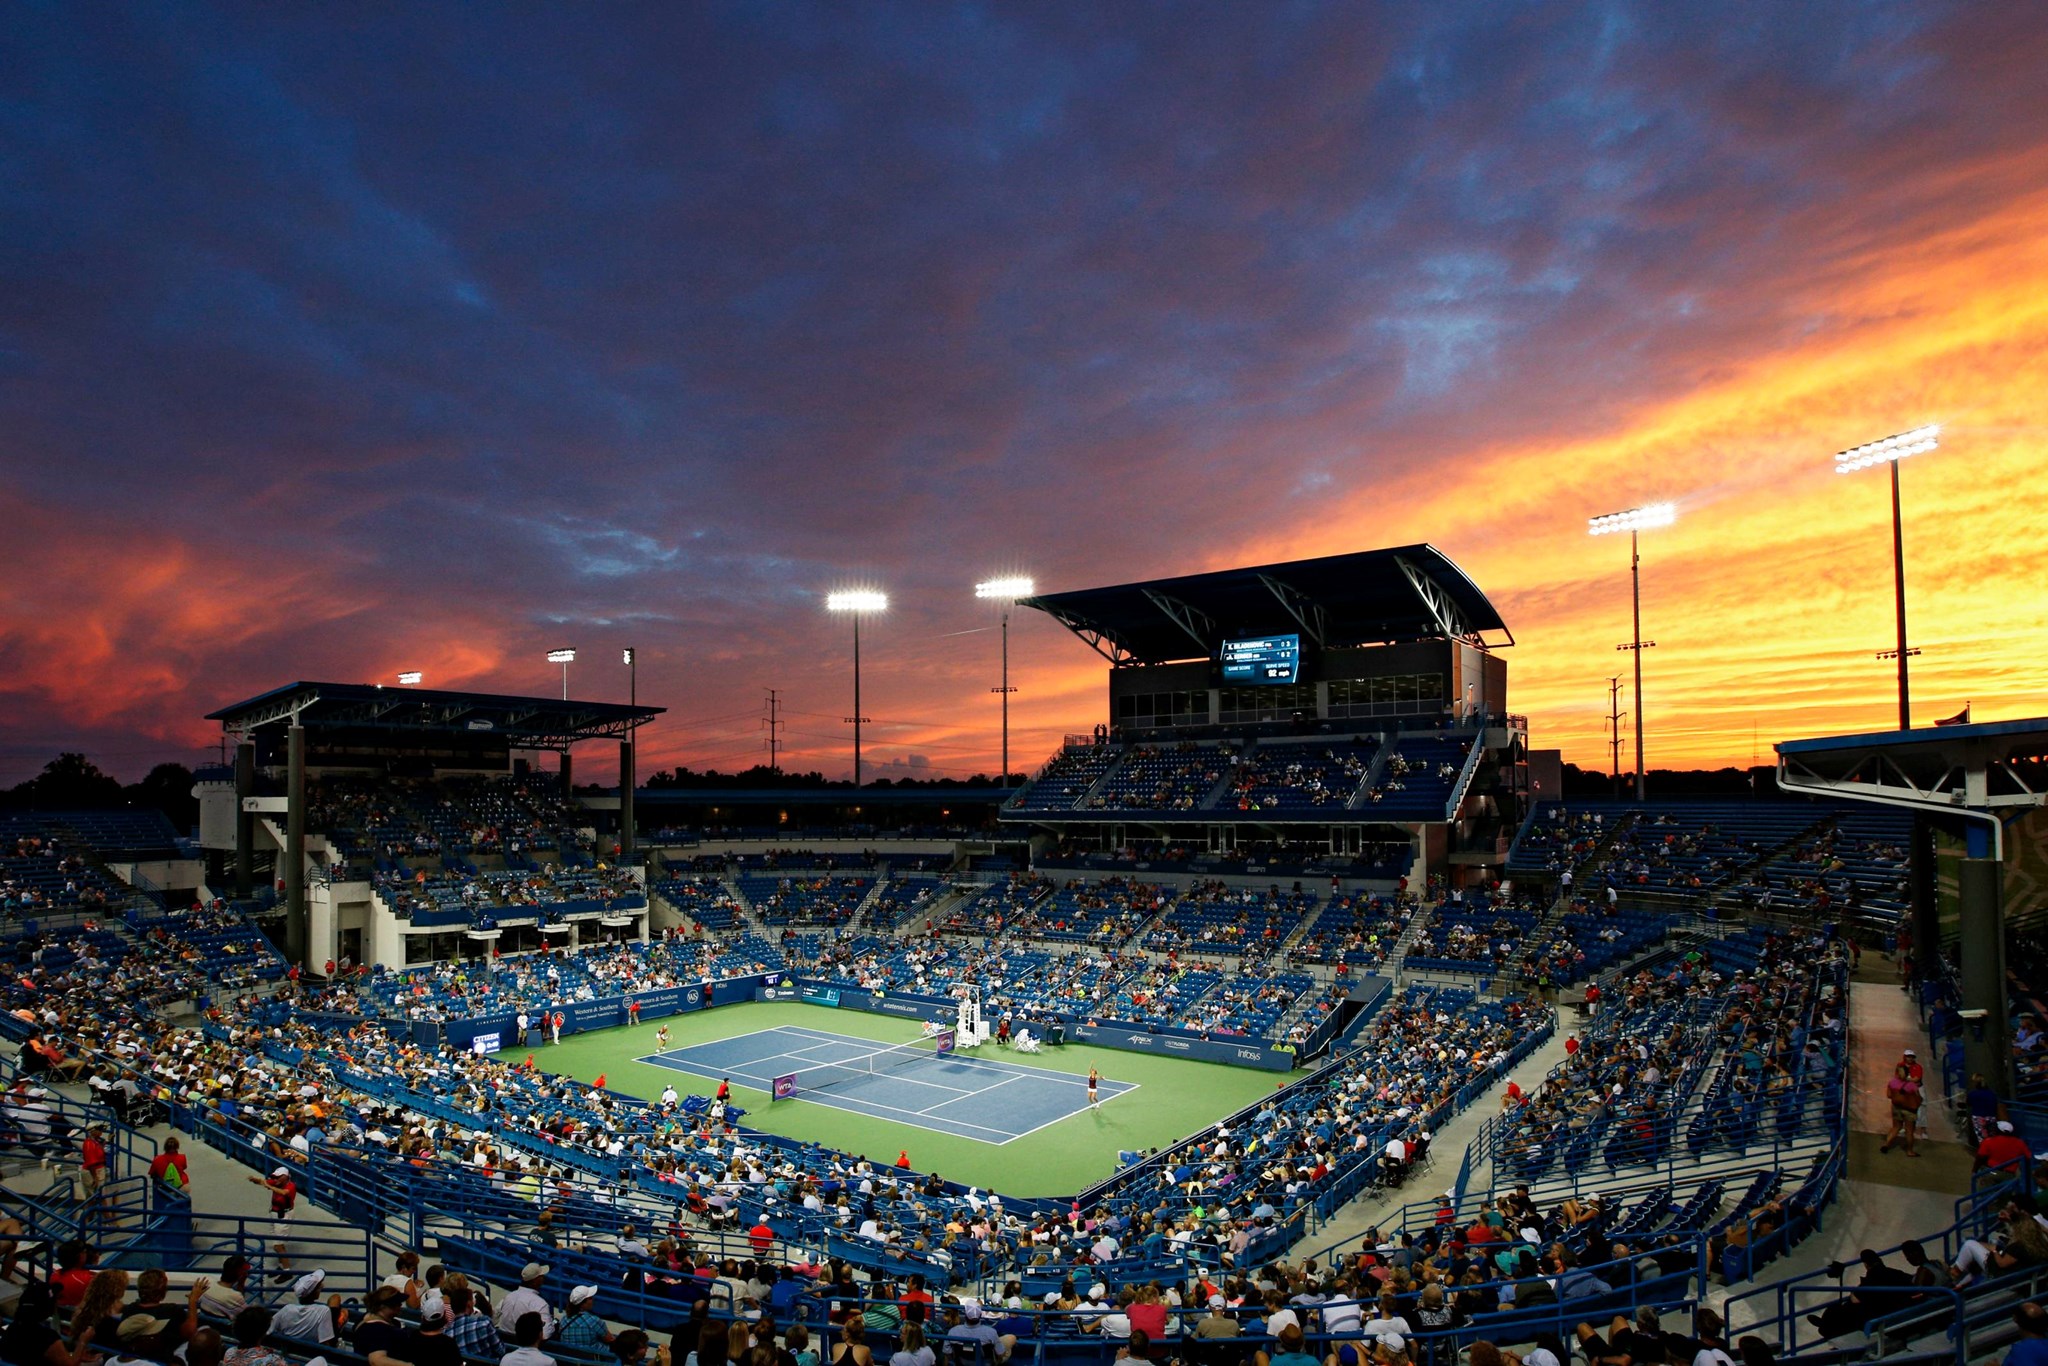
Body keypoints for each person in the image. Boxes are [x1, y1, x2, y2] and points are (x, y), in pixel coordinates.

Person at [272, 1270, 347, 1346]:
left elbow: (268, 1328)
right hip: (315, 1353)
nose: (322, 1286)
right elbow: (326, 1343)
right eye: (318, 1286)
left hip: (288, 1351)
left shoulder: (287, 1309)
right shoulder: (323, 1311)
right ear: (315, 1293)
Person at [252, 1166, 298, 1278]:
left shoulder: (291, 1186)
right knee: (276, 1244)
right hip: (274, 1213)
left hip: (284, 1215)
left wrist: (269, 1186)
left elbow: (283, 1193)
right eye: (274, 1177)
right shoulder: (275, 1182)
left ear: (285, 1177)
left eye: (278, 1177)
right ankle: (281, 1266)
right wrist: (257, 1180)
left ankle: (287, 1272)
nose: (275, 1179)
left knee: (279, 1246)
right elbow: (264, 1182)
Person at [498, 1263, 554, 1338]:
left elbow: (495, 1317)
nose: (543, 1278)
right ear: (536, 1280)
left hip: (505, 1343)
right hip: (526, 1346)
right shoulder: (540, 1304)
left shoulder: (508, 1297)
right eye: (541, 1276)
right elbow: (546, 1334)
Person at [1881, 1064, 1923, 1156]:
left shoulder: (1892, 1082)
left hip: (1896, 1107)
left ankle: (1886, 1144)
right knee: (1909, 1131)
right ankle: (1909, 1151)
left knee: (1896, 1127)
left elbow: (1889, 1095)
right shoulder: (1912, 1085)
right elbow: (1918, 1098)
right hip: (1909, 1110)